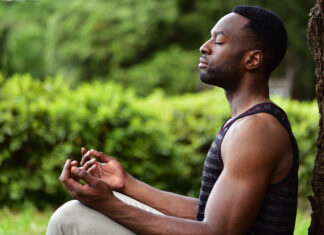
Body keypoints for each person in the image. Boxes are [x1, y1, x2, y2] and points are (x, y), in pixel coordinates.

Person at [47, 5, 299, 235]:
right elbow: (207, 213)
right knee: (83, 210)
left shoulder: (257, 130)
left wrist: (108, 204)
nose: (205, 46)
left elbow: (217, 231)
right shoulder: (248, 122)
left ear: (252, 60)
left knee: (71, 217)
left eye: (219, 41)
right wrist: (126, 184)